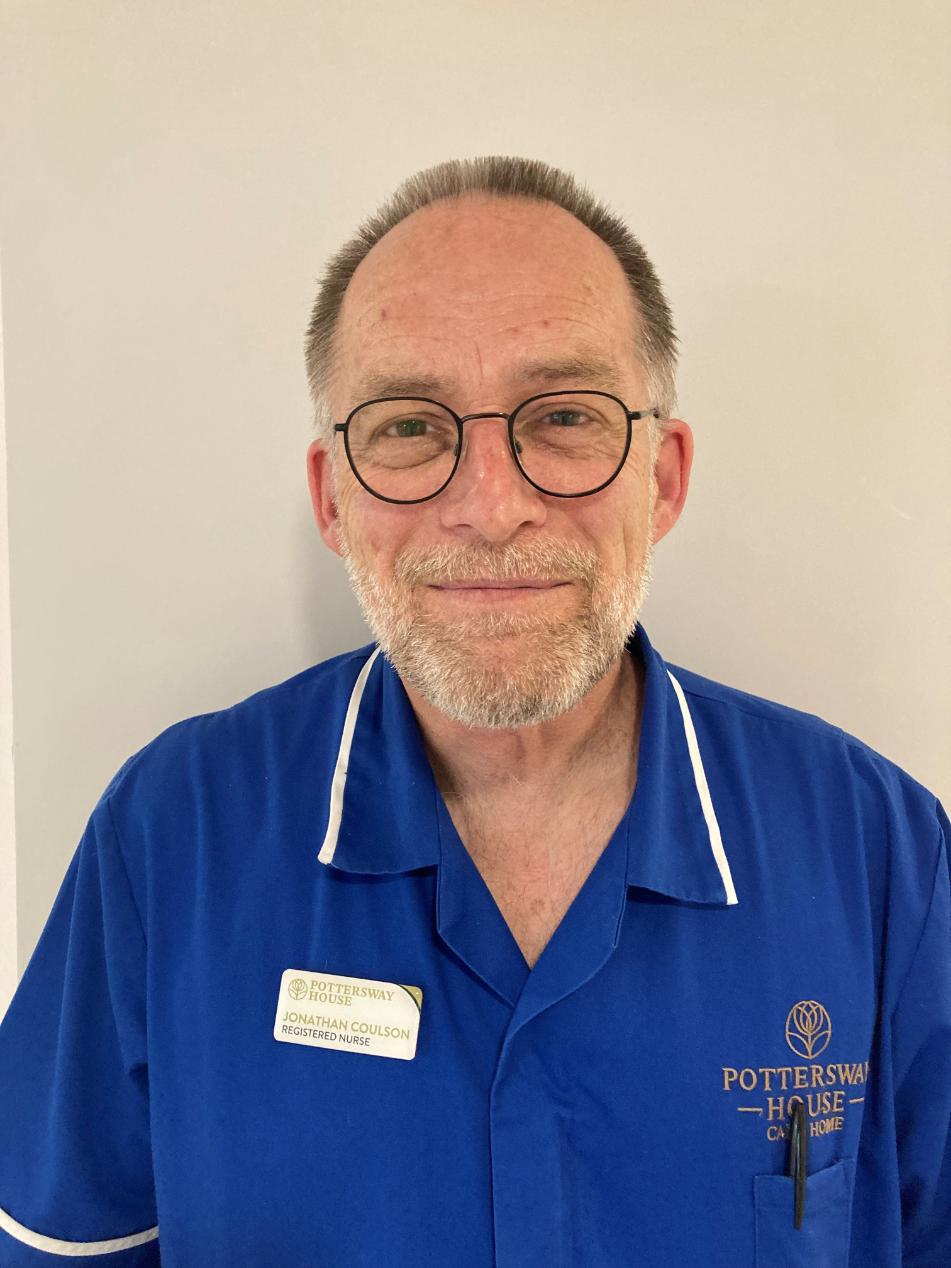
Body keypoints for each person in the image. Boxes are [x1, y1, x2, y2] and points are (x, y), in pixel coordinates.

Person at [0, 155, 947, 1268]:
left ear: (663, 476)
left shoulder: (878, 853)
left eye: (564, 416)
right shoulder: (173, 838)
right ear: (332, 497)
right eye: (410, 426)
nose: (491, 508)